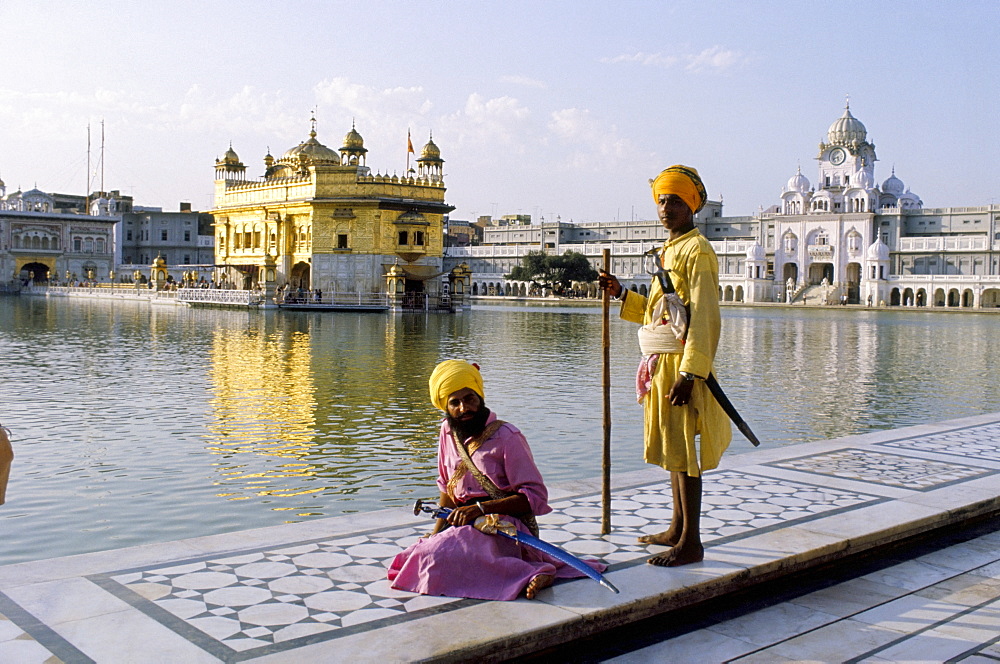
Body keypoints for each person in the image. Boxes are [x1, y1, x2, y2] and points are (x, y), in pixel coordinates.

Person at [598, 165, 732, 567]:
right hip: (663, 364)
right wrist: (623, 294)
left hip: (682, 366)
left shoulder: (698, 251)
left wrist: (693, 373)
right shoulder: (667, 251)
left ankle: (691, 541)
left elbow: (705, 316)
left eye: (675, 200)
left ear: (691, 205)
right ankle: (676, 526)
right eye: (661, 200)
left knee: (686, 452)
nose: (666, 207)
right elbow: (661, 314)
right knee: (674, 448)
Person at [387, 359, 605, 600]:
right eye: (454, 403)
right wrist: (436, 532)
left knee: (434, 558)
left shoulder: (507, 436)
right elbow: (447, 488)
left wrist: (480, 509)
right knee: (410, 560)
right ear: (445, 407)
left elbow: (534, 497)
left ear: (480, 397)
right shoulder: (447, 432)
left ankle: (535, 571)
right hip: (464, 523)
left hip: (502, 526)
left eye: (469, 399)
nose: (463, 408)